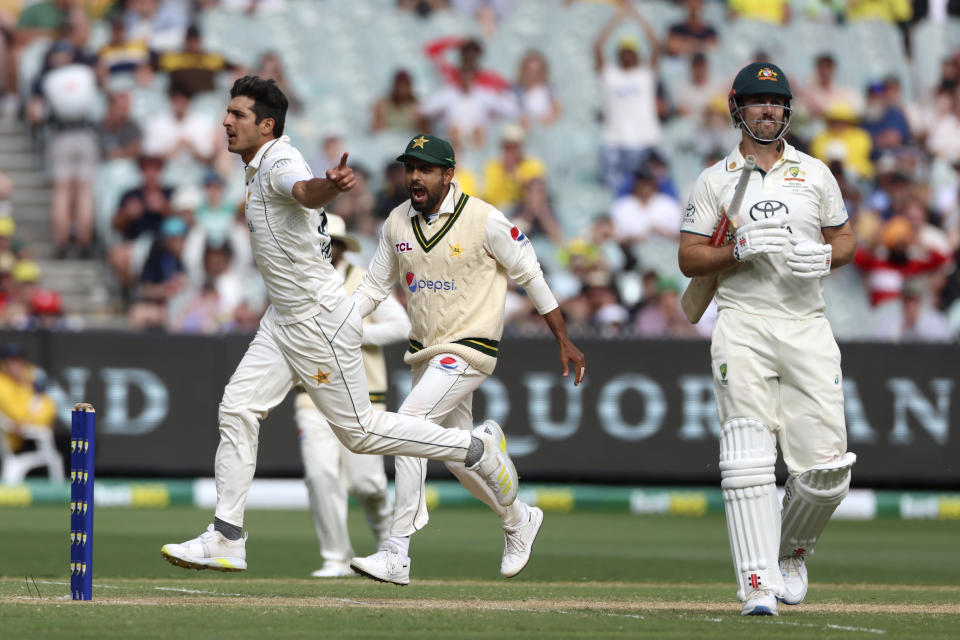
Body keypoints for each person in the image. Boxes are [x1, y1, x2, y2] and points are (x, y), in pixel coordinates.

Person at [160, 76, 522, 572]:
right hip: (282, 319)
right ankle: (227, 535)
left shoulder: (279, 161)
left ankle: (473, 447)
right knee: (238, 407)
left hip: (315, 320)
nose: (226, 120)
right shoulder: (255, 166)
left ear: (266, 126)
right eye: (228, 112)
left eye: (238, 115)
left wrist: (329, 185)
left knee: (361, 434)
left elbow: (305, 190)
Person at [348, 133, 586, 585]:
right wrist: (342, 322)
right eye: (409, 168)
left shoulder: (484, 219)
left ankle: (397, 551)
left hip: (470, 349)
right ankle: (518, 518)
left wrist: (563, 338)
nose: (414, 177)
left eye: (425, 169)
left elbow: (530, 273)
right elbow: (374, 288)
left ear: (448, 174)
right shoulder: (397, 221)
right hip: (424, 353)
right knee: (459, 459)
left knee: (407, 423)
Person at [678, 62, 858, 616]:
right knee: (748, 456)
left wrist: (827, 256)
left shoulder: (816, 173)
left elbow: (845, 238)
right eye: (758, 102)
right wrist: (736, 251)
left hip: (807, 325)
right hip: (742, 322)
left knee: (827, 472)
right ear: (739, 109)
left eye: (777, 104)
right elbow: (688, 258)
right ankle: (756, 582)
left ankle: (790, 552)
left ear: (788, 111)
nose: (769, 111)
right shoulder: (716, 179)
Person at [296, 214, 410, 578]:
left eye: (332, 244)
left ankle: (387, 547)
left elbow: (401, 326)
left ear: (341, 247)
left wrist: (352, 333)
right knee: (320, 475)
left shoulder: (363, 281)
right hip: (312, 395)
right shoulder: (298, 281)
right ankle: (335, 557)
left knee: (368, 484)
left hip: (364, 397)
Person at [593, 1, 664, 191]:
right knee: (613, 192)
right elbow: (597, 45)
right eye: (623, 52)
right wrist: (618, 18)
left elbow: (656, 46)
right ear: (618, 55)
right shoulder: (611, 75)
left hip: (644, 141)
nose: (627, 56)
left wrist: (637, 17)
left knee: (648, 190)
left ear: (637, 54)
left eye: (631, 52)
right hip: (615, 142)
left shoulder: (645, 75)